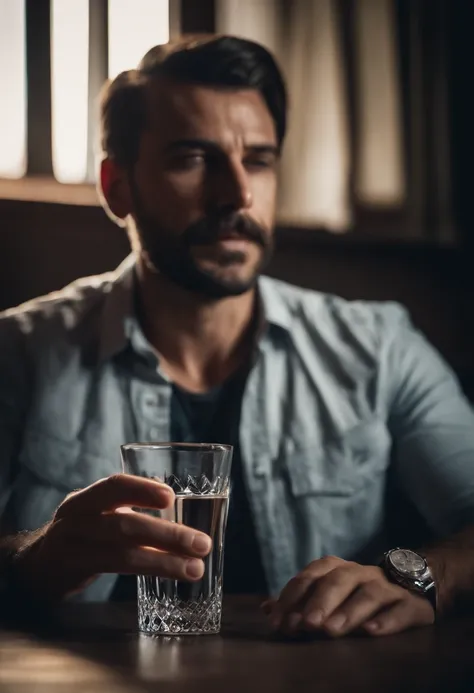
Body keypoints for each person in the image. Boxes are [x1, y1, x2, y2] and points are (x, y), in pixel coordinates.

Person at [1, 35, 474, 639]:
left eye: (259, 159)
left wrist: (424, 574)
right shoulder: (16, 352)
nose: (238, 194)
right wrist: (33, 559)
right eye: (193, 158)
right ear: (117, 186)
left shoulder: (378, 347)